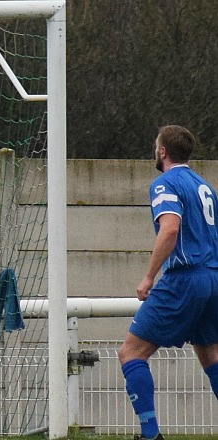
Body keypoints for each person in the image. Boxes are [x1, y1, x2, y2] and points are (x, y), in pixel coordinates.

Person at [118, 125, 218, 440]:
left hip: (185, 278)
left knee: (131, 352)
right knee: (211, 355)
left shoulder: (165, 183)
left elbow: (170, 229)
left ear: (162, 151)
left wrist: (148, 277)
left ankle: (150, 434)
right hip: (213, 278)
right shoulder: (205, 186)